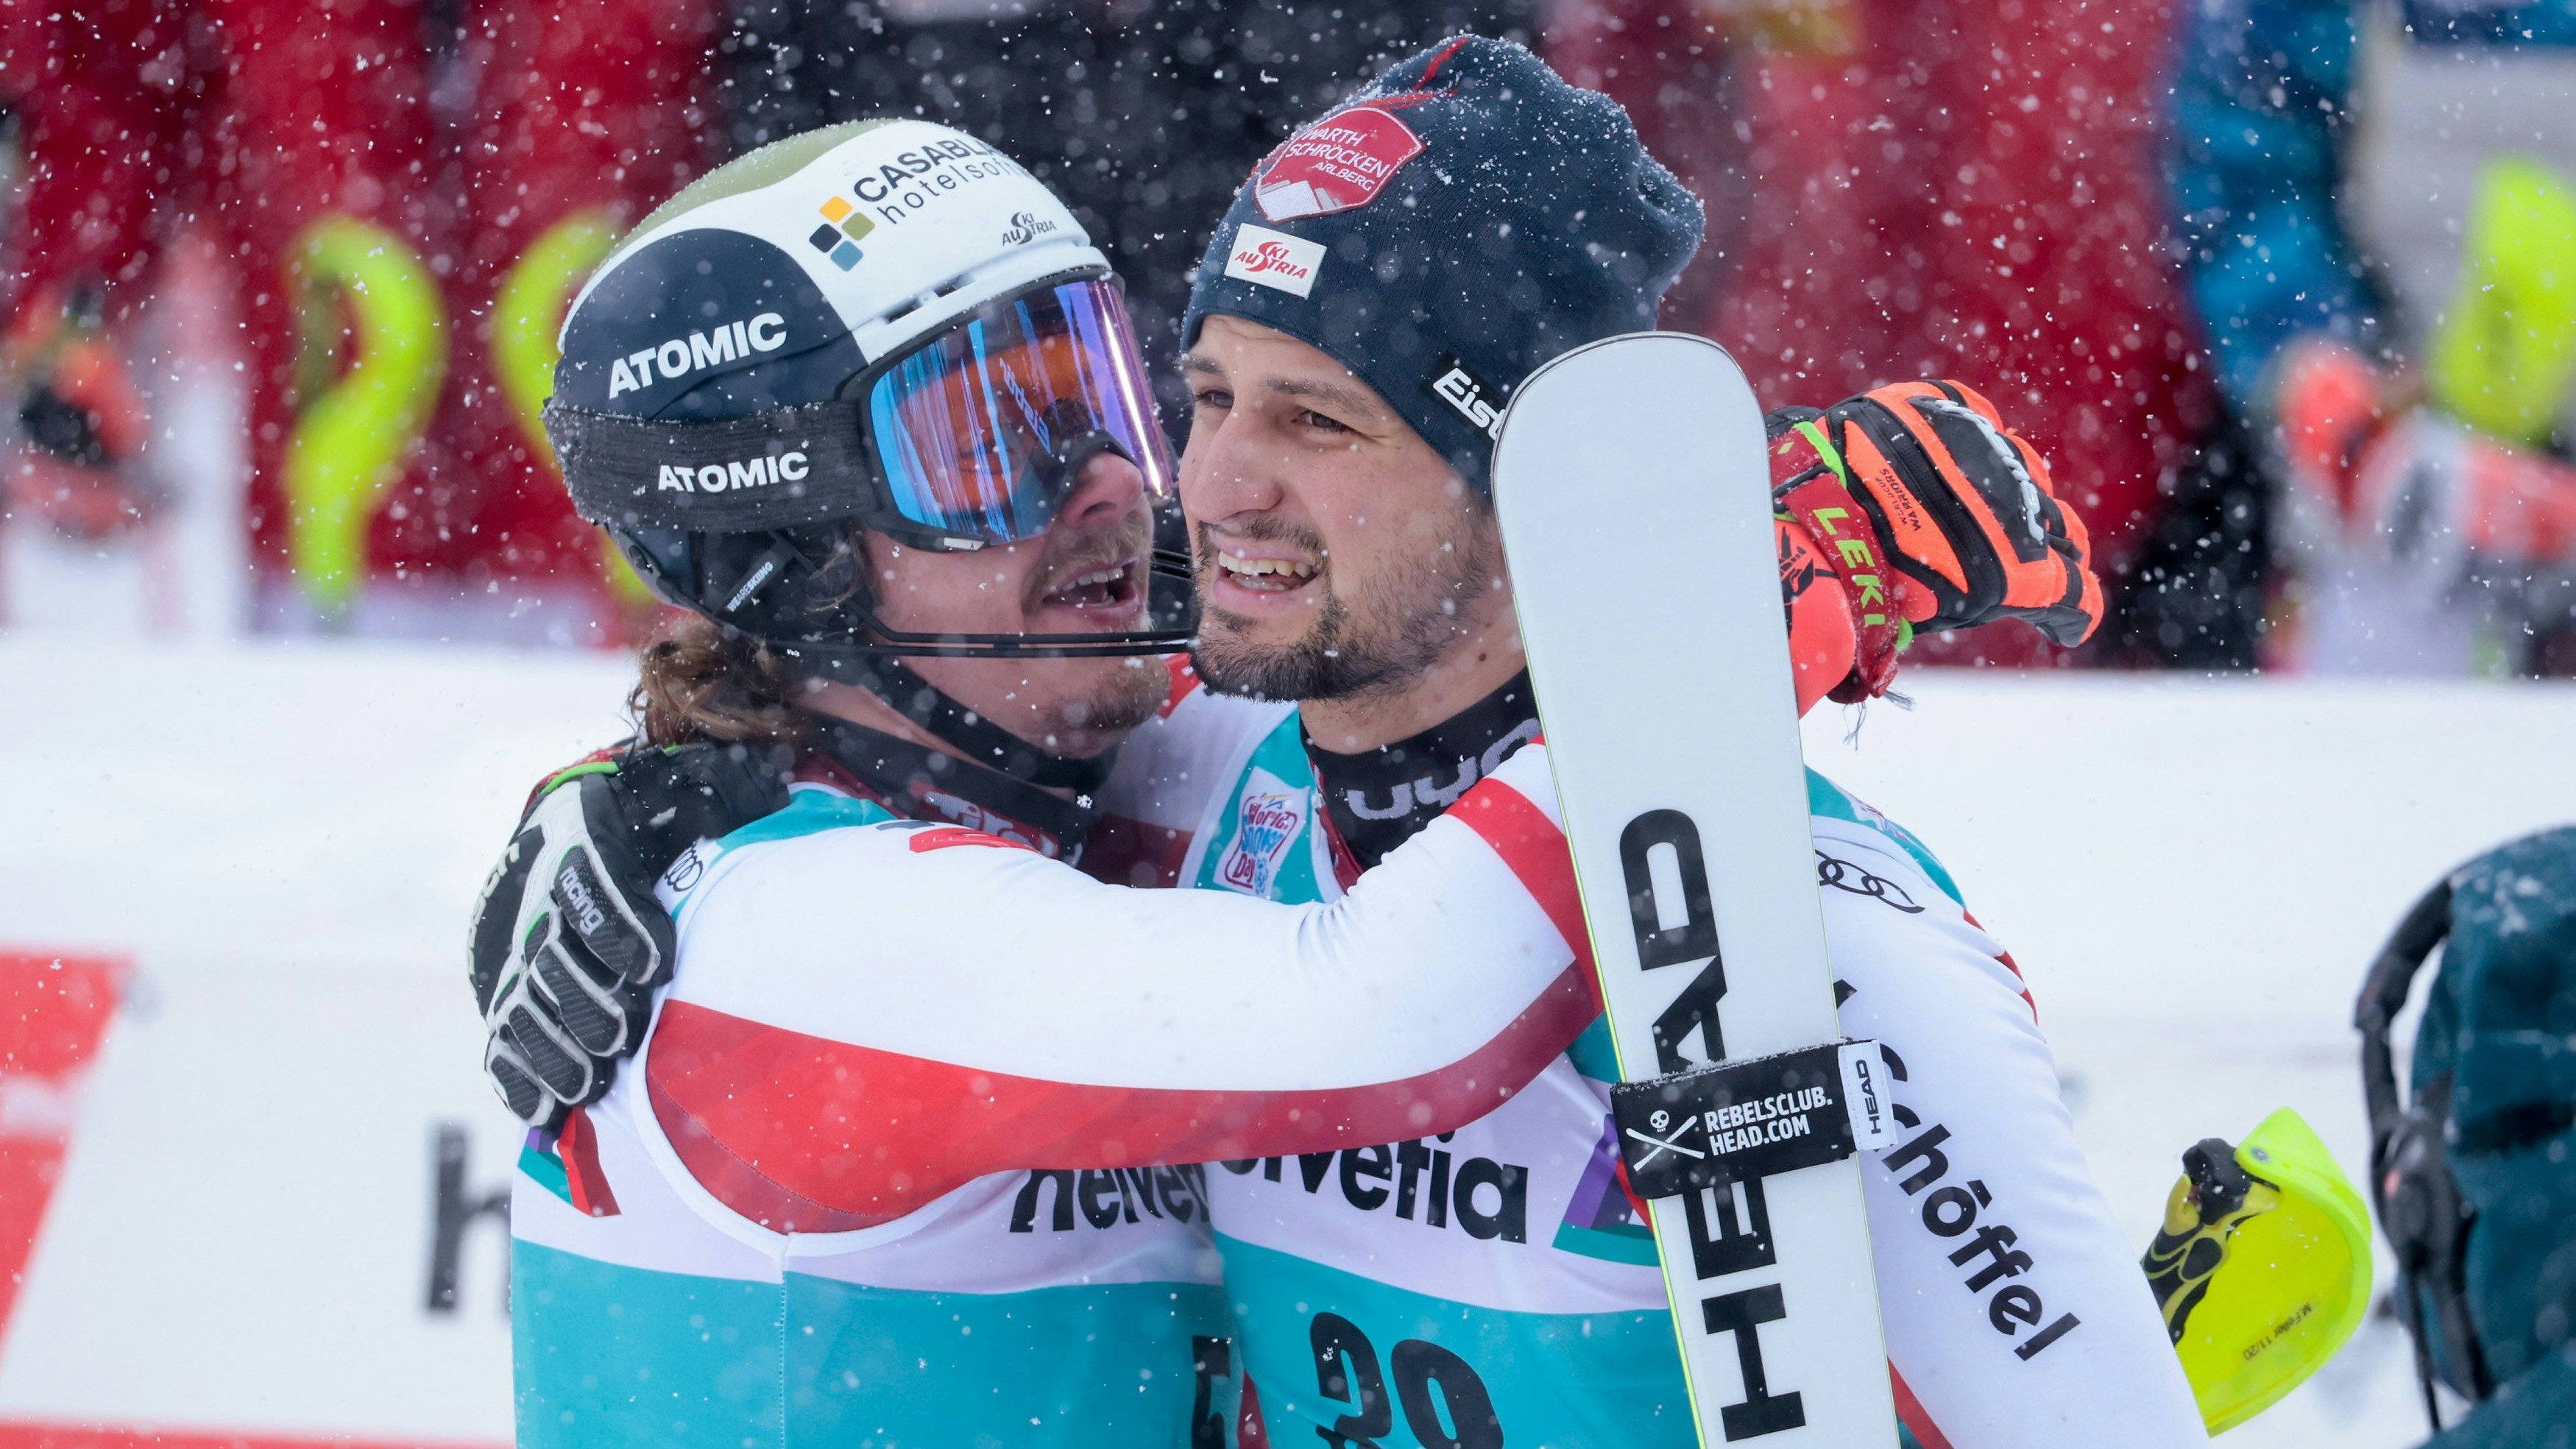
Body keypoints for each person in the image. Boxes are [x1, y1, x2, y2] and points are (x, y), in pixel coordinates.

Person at [476, 40, 2177, 1448]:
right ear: (789, 547)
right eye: (986, 431)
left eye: (1095, 384)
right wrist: (1729, 603)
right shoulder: (797, 934)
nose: (1128, 483)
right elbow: (1401, 1011)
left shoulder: (1134, 798)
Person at [2168, 0, 2576, 674]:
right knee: (2375, 756)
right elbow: (2246, 176)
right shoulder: (2296, 18)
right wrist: (2320, 370)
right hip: (2402, 496)